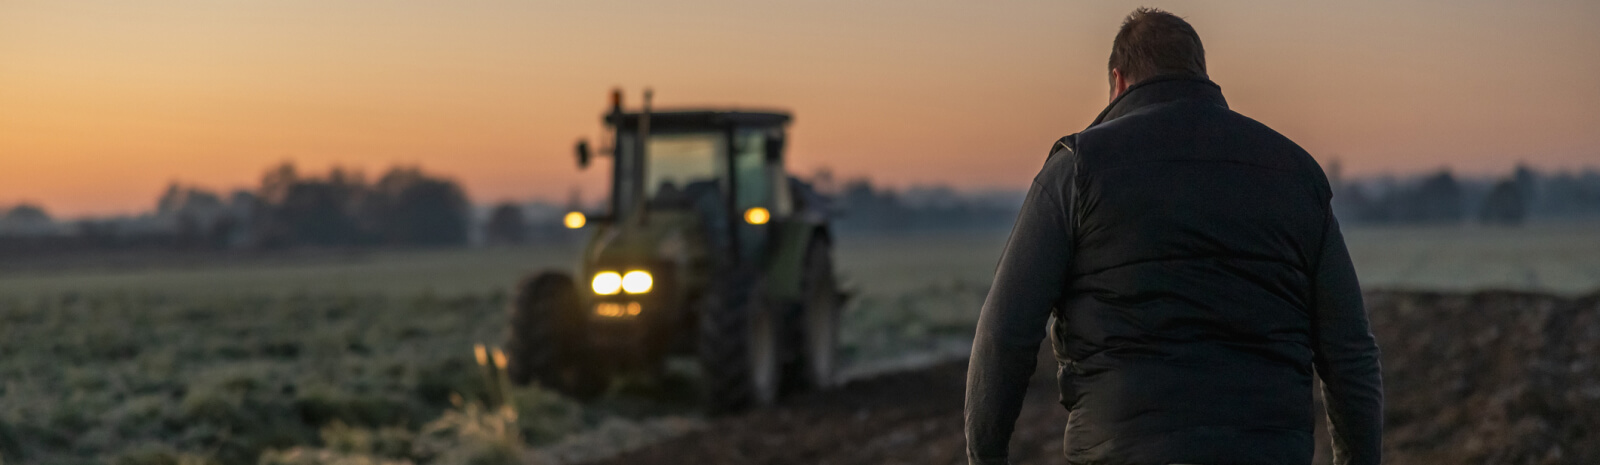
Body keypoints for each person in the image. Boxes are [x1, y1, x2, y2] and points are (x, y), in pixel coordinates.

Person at [963, 8, 1383, 465]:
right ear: (1200, 73)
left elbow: (1004, 335)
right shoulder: (1298, 174)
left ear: (1119, 81)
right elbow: (1350, 354)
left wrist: (985, 457)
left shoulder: (1078, 169)